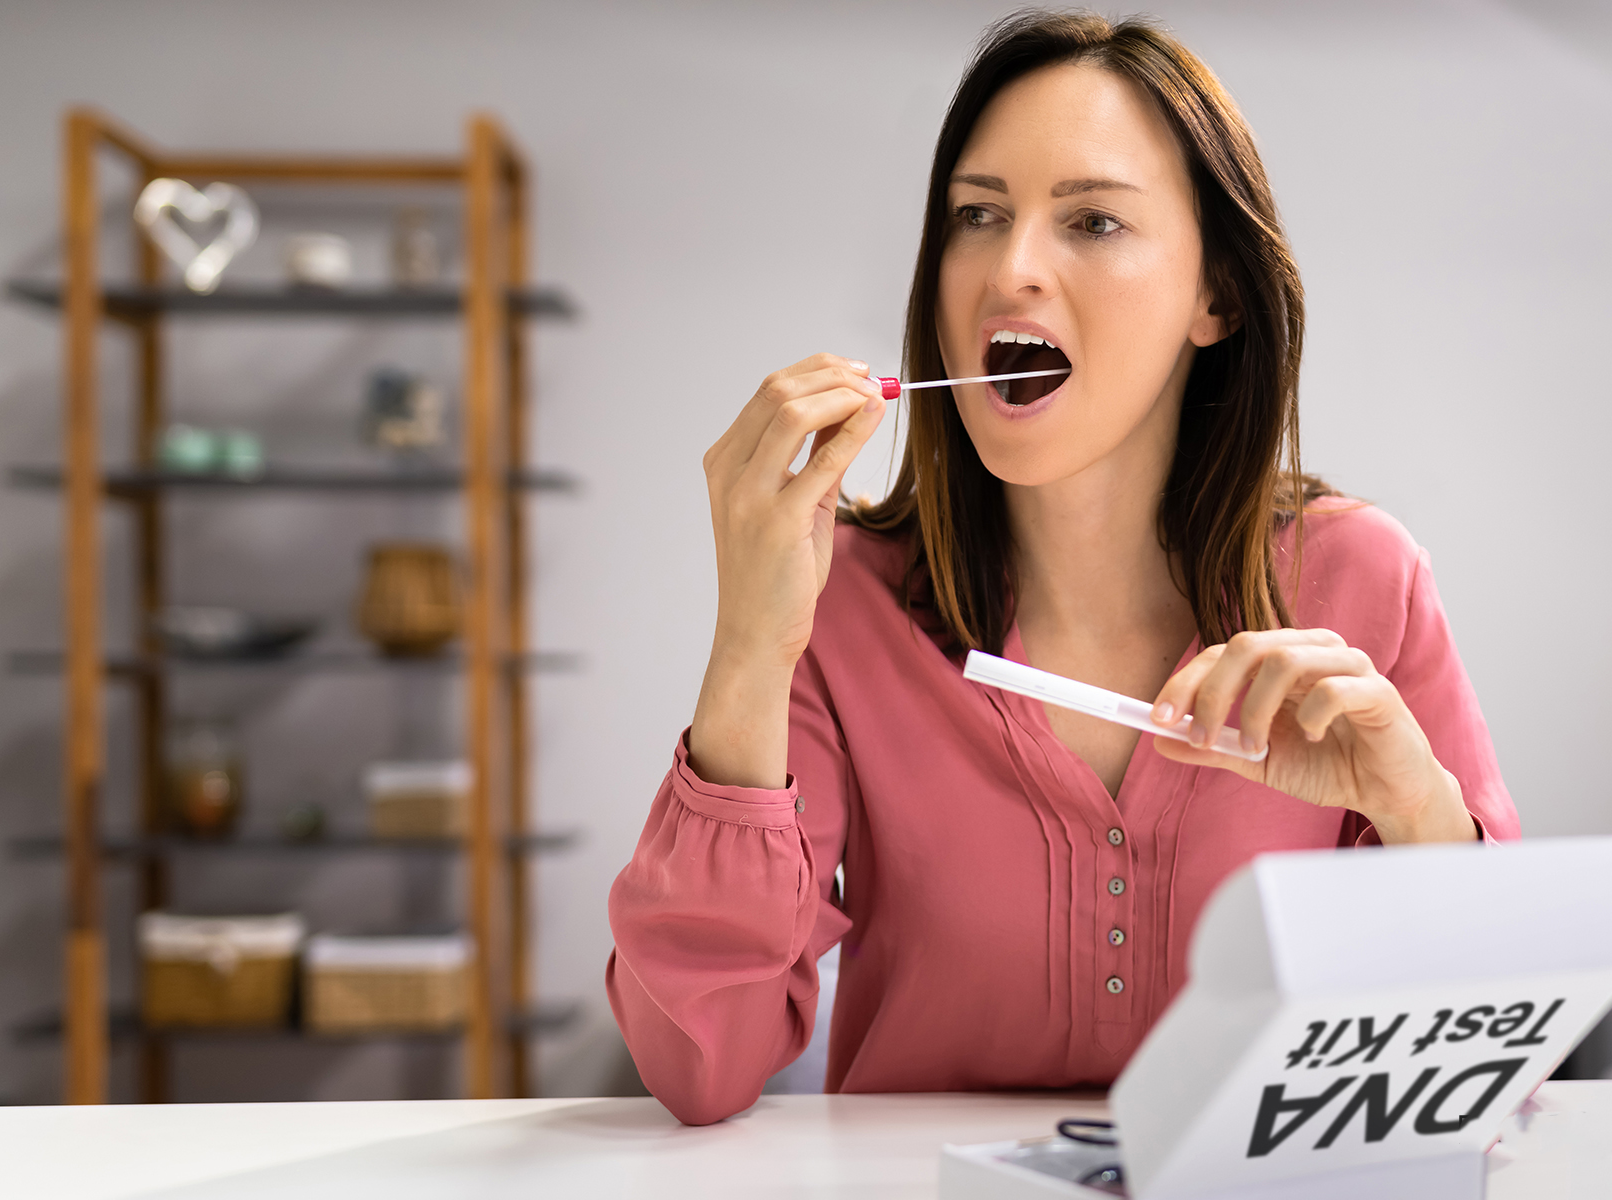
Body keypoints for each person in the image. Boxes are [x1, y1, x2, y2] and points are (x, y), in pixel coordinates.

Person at [608, 10, 1519, 1126]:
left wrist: (1417, 808)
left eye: (1091, 220)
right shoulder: (837, 602)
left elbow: (1490, 1068)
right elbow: (700, 1067)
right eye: (976, 216)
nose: (1010, 268)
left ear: (1215, 298)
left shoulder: (1362, 579)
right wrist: (750, 643)